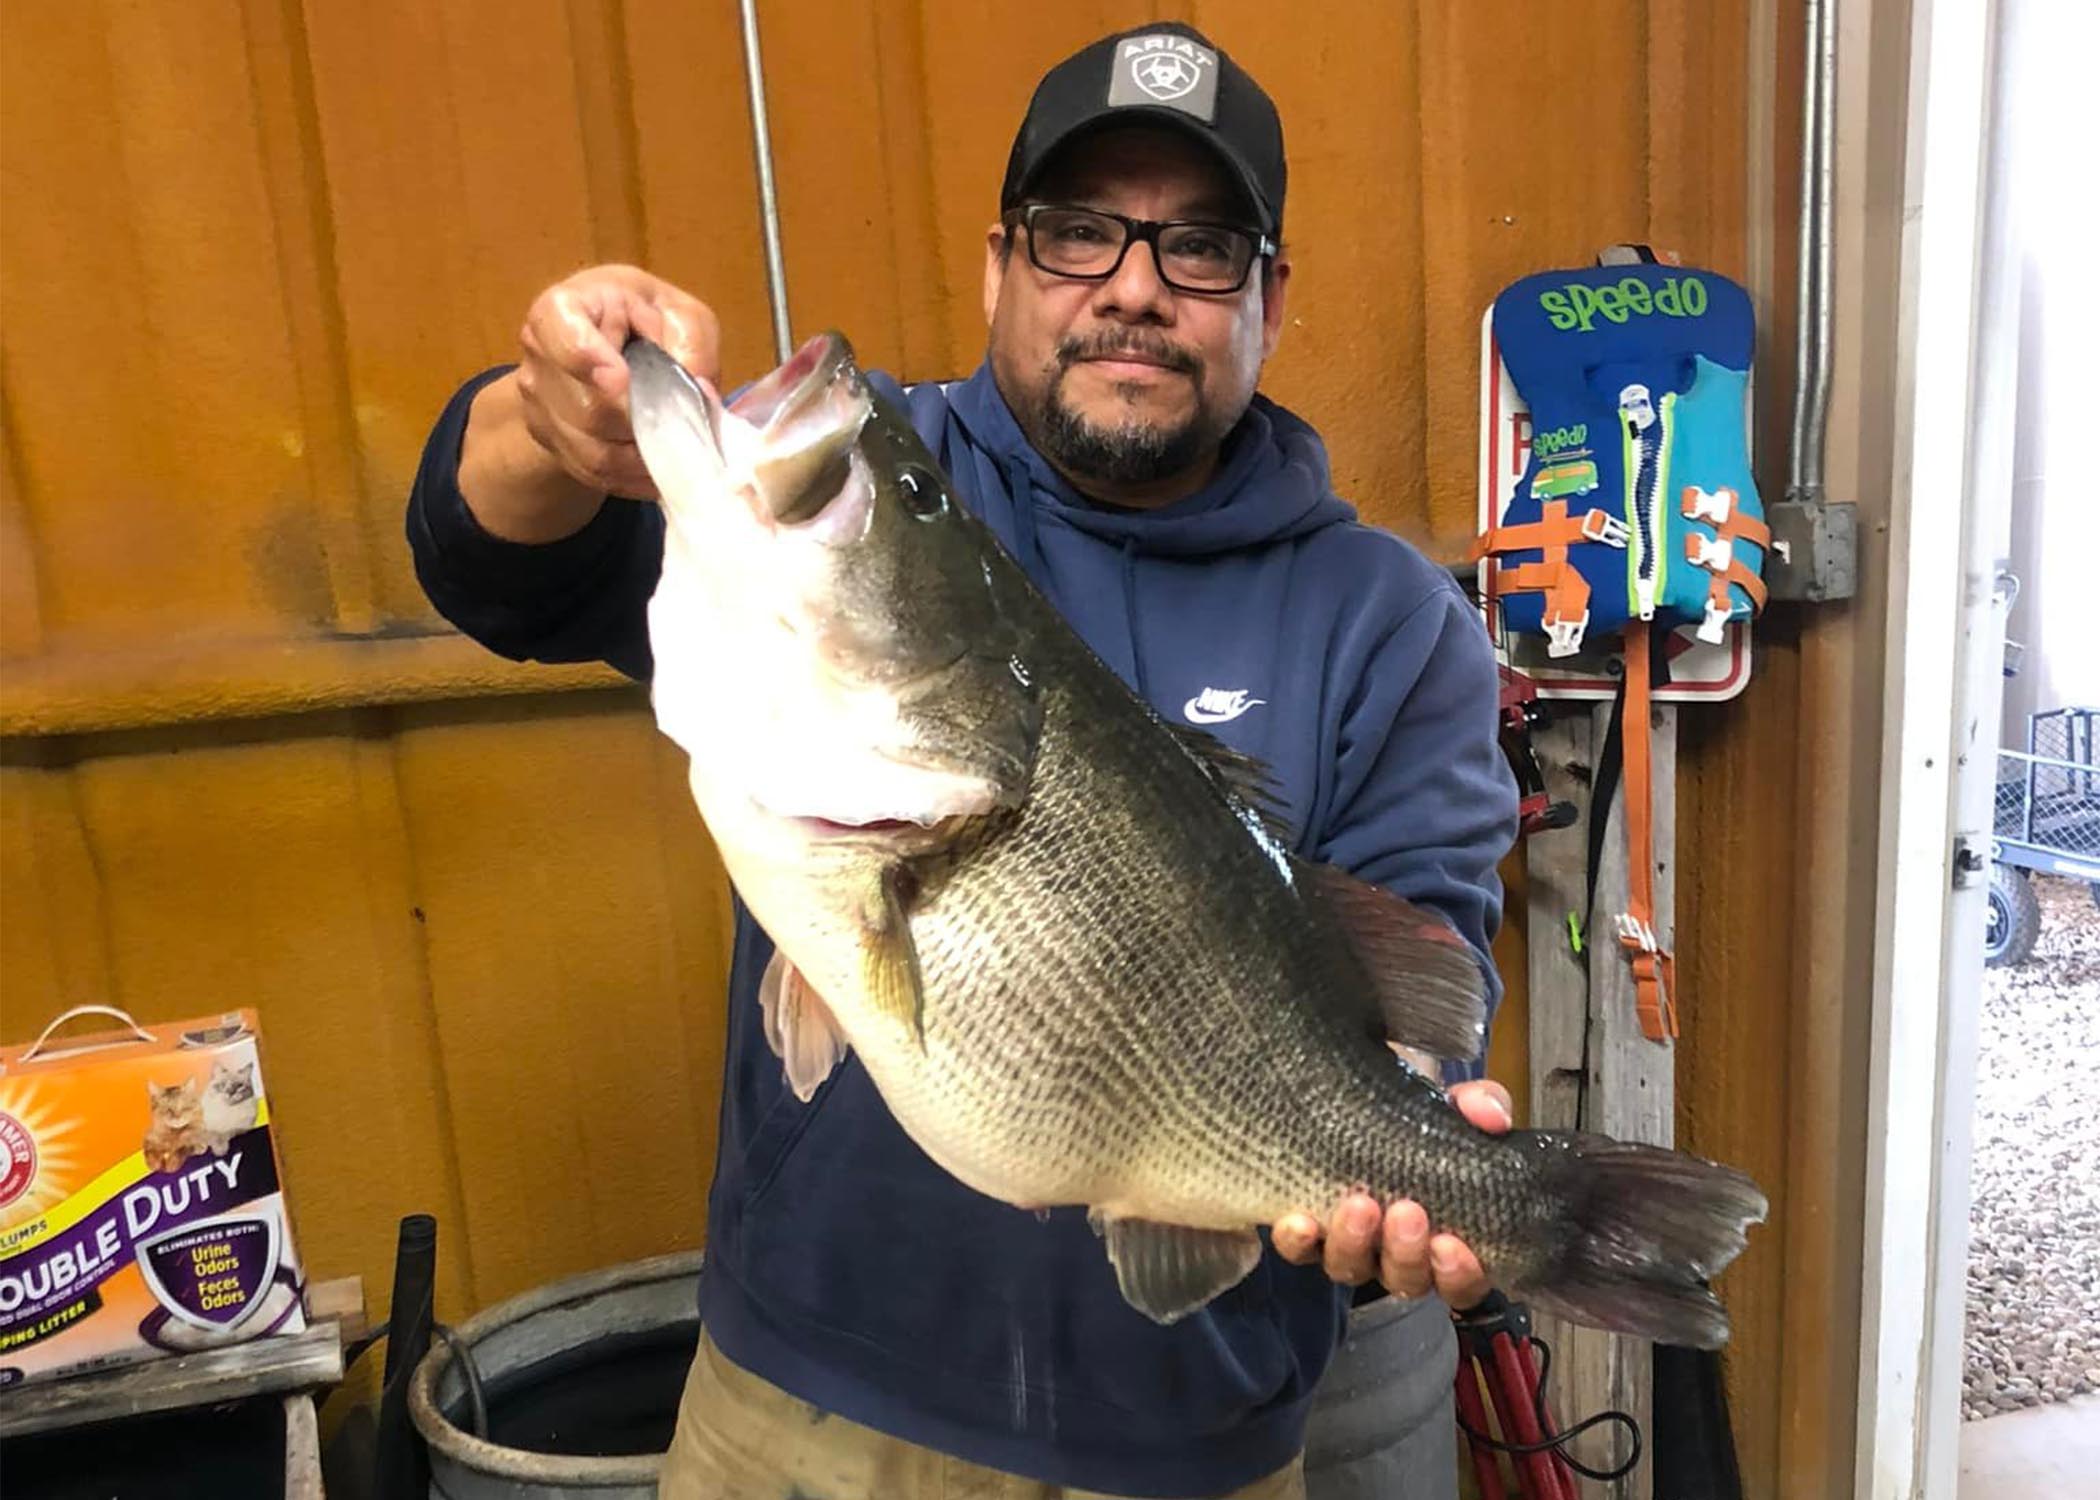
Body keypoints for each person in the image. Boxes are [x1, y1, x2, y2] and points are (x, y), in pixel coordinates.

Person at [407, 21, 1519, 1500]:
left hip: (1192, 1453)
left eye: (1198, 246)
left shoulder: (1392, 617)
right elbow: (500, 568)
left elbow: (1421, 960)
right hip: (797, 1417)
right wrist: (541, 424)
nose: (1132, 285)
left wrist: (1419, 1128)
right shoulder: (877, 479)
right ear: (1001, 262)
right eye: (1079, 233)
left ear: (1266, 297)